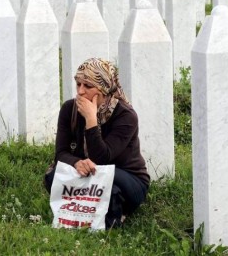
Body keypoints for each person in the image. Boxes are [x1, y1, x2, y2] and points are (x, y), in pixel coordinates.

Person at [44, 58, 150, 229]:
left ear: (103, 89)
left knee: (111, 187)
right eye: (78, 84)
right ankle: (95, 205)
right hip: (86, 172)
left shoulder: (126, 116)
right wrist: (77, 163)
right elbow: (61, 153)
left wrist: (91, 120)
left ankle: (113, 209)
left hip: (125, 177)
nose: (80, 91)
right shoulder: (68, 109)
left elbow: (103, 158)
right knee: (52, 175)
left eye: (87, 86)